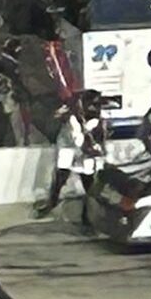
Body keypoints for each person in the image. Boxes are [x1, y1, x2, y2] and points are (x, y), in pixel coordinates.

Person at [34, 90, 105, 224]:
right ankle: (52, 203)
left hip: (85, 152)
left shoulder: (96, 119)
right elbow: (57, 116)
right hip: (68, 147)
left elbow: (98, 137)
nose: (94, 107)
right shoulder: (72, 114)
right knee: (61, 178)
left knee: (88, 182)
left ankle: (87, 215)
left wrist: (95, 147)